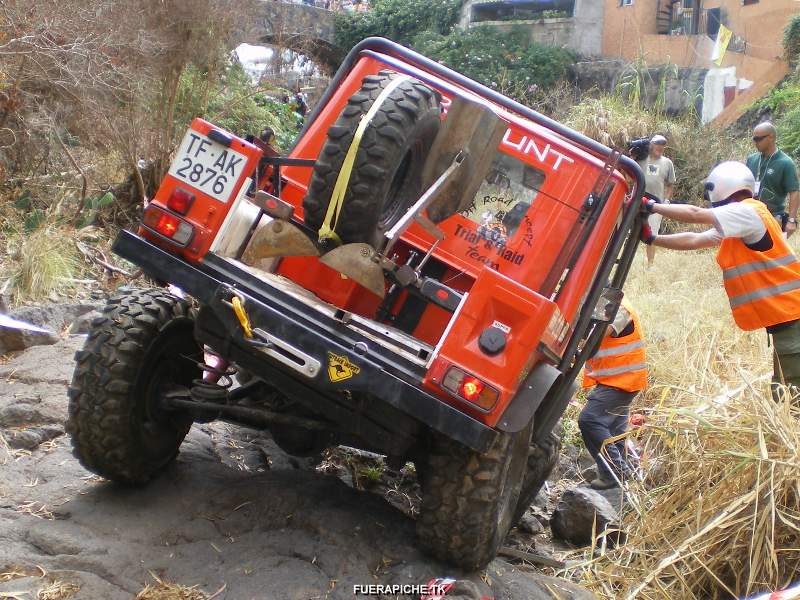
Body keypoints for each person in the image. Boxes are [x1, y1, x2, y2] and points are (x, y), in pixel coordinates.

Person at [643, 161, 800, 399]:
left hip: (793, 321)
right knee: (785, 393)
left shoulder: (747, 212)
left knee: (792, 396)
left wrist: (652, 205)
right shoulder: (742, 222)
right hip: (787, 320)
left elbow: (696, 214)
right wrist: (652, 239)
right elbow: (694, 240)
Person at [578, 299, 648, 490]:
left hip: (621, 380)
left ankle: (615, 472)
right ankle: (624, 478)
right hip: (617, 380)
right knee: (615, 432)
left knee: (589, 420)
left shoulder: (620, 308)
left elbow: (597, 336)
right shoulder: (607, 305)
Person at [745, 122, 800, 237]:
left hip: (773, 218)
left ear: (771, 137)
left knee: (771, 253)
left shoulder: (786, 163)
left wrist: (791, 220)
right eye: (754, 139)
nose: (755, 142)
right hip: (749, 216)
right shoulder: (752, 159)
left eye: (758, 139)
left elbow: (794, 191)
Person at [638, 134, 676, 266]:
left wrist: (666, 201)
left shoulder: (667, 163)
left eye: (663, 146)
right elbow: (630, 177)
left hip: (656, 206)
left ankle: (650, 265)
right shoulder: (642, 159)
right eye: (658, 145)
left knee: (651, 236)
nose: (660, 148)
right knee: (629, 232)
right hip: (637, 203)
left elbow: (670, 184)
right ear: (651, 145)